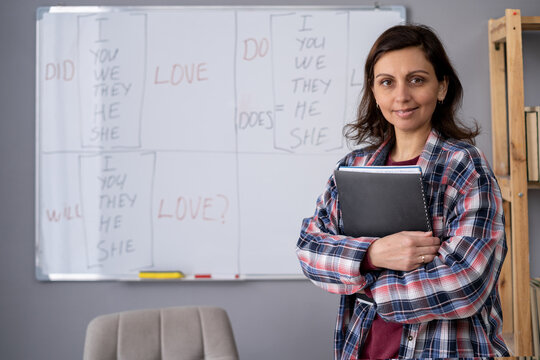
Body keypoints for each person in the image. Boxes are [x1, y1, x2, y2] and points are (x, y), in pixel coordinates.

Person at [296, 24, 509, 359]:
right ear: (374, 91)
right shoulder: (355, 167)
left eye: (417, 79)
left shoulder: (465, 166)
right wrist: (373, 255)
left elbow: (465, 283)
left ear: (442, 87)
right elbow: (309, 249)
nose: (401, 96)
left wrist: (363, 282)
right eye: (387, 82)